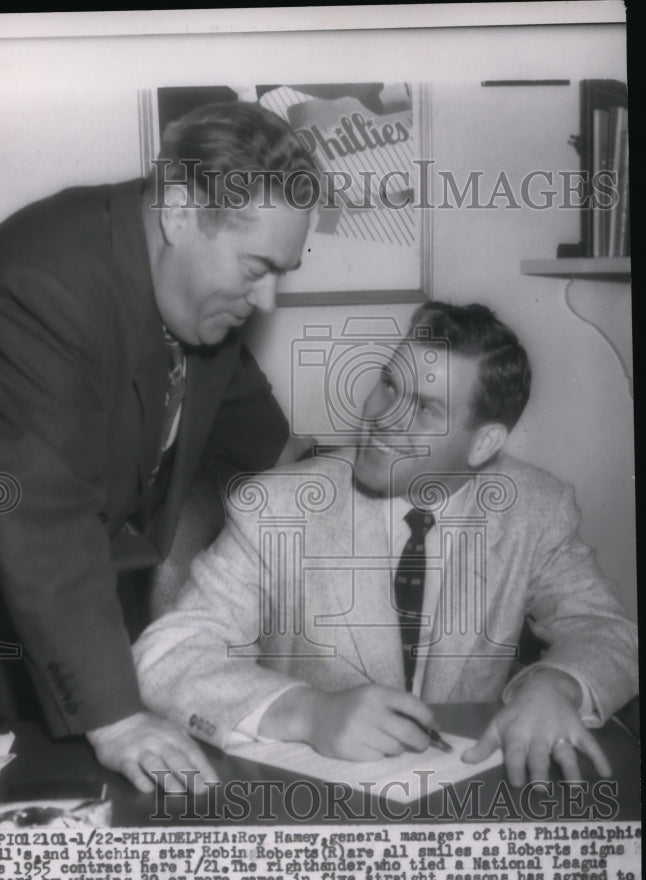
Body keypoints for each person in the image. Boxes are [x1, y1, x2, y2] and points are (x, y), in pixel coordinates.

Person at [0, 101, 318, 798]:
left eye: (282, 272)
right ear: (178, 211)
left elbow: (266, 445)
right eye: (257, 267)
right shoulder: (46, 282)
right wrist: (115, 721)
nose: (267, 303)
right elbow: (45, 524)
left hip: (75, 619)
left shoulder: (198, 305)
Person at [134, 301, 638, 787]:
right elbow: (167, 655)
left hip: (466, 798)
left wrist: (557, 685)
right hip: (308, 803)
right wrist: (307, 711)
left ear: (483, 444)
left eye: (425, 408)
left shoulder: (536, 508)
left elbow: (604, 629)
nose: (385, 415)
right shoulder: (276, 507)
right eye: (390, 384)